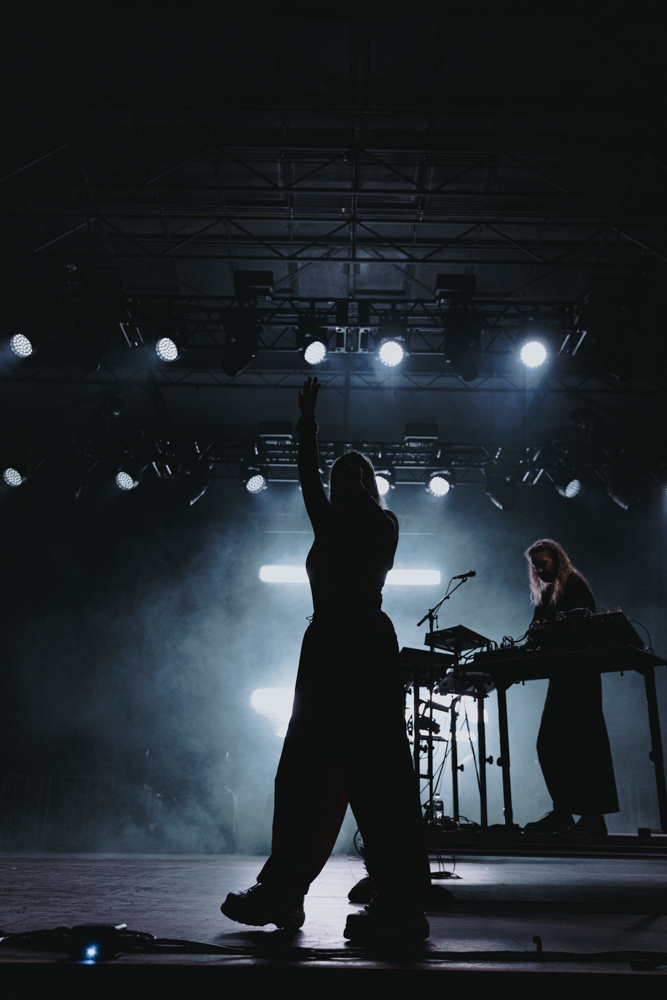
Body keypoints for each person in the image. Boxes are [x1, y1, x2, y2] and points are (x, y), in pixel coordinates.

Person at [221, 376, 431, 941]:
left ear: (367, 485)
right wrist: (307, 423)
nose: (341, 483)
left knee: (377, 773)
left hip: (361, 641)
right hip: (326, 647)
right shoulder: (329, 516)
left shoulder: (380, 523)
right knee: (303, 773)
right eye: (341, 478)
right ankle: (284, 893)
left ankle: (402, 900)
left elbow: (340, 498)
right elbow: (308, 475)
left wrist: (349, 476)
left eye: (353, 477)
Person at [523, 539, 619, 836]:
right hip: (561, 677)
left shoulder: (574, 585)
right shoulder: (546, 593)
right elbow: (536, 630)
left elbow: (581, 628)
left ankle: (592, 816)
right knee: (550, 744)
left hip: (581, 676)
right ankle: (564, 811)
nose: (539, 570)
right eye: (535, 566)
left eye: (544, 564)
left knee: (584, 743)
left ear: (558, 560)